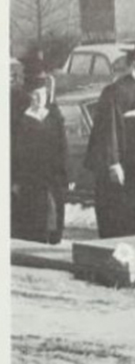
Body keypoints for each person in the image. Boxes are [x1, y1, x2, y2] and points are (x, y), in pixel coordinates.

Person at [84, 38, 135, 238]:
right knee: (121, 225)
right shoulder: (115, 91)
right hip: (123, 169)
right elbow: (107, 129)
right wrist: (113, 163)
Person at [11, 75, 67, 244]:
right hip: (30, 178)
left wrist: (64, 173)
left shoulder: (54, 116)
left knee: (53, 214)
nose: (39, 98)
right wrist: (14, 179)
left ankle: (52, 241)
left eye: (42, 93)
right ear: (29, 96)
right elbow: (15, 152)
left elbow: (62, 147)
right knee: (33, 219)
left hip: (52, 176)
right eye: (35, 94)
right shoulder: (21, 120)